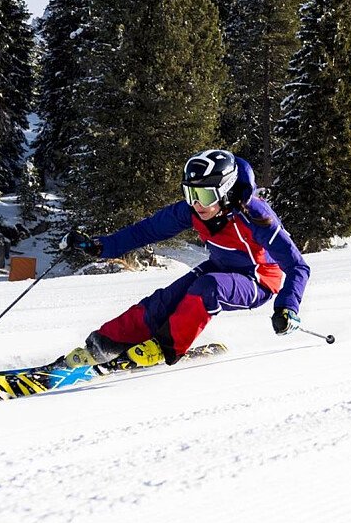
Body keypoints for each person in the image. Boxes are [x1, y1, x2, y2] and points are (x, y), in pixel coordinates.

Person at [59, 149, 310, 368]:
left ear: (225, 191)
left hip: (258, 280)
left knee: (207, 288)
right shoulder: (192, 211)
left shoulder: (256, 215)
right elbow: (145, 231)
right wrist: (99, 247)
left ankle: (165, 347)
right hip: (220, 268)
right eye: (191, 194)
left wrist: (287, 307)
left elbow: (297, 266)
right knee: (165, 300)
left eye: (205, 195)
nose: (197, 204)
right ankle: (104, 344)